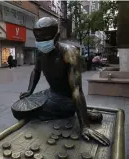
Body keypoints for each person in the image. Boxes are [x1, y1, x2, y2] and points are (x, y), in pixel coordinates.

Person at [11, 17, 110, 146]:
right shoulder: (41, 52)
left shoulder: (69, 53)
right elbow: (36, 71)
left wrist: (85, 126)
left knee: (24, 112)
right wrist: (30, 91)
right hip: (51, 93)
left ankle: (77, 113)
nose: (40, 42)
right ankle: (81, 112)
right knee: (19, 106)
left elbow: (76, 90)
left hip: (65, 100)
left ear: (56, 37)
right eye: (38, 39)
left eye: (44, 39)